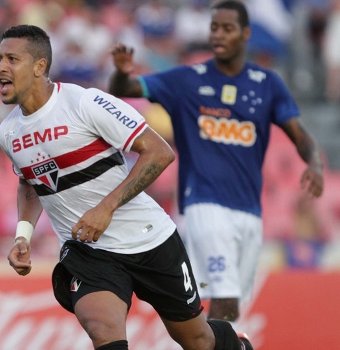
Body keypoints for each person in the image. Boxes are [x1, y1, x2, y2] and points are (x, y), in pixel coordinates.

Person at [0, 24, 252, 350]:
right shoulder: (8, 133)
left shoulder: (84, 103)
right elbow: (31, 183)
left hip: (149, 239)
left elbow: (160, 152)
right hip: (87, 252)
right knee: (103, 330)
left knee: (197, 340)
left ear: (39, 66)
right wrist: (23, 235)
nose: (1, 68)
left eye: (12, 59)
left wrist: (106, 208)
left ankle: (236, 344)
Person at [108, 0, 324, 328]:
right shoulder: (187, 79)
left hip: (249, 211)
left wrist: (315, 164)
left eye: (227, 28)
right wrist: (122, 74)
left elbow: (299, 133)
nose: (219, 34)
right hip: (204, 204)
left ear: (245, 33)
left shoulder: (267, 84)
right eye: (213, 28)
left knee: (232, 306)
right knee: (224, 296)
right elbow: (127, 88)